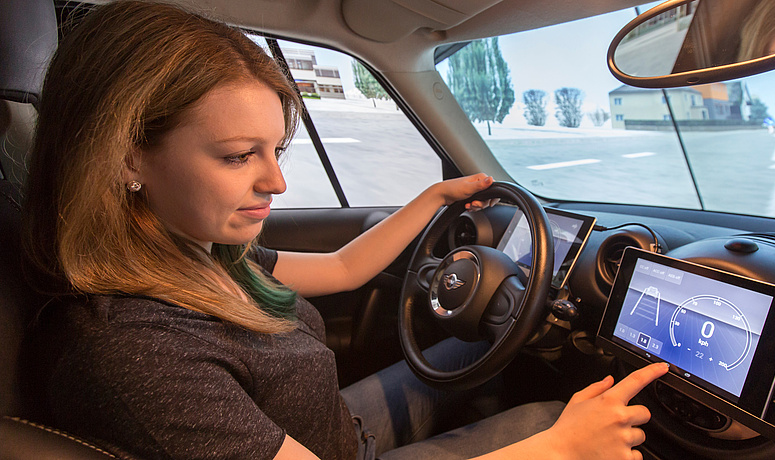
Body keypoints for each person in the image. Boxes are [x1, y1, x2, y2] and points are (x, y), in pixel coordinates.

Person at [21, 1, 667, 459]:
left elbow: (340, 271)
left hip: (334, 429)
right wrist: (559, 447)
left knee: (476, 349)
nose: (275, 184)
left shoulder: (197, 253)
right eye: (237, 155)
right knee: (554, 417)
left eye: (277, 150)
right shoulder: (130, 353)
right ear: (126, 157)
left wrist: (435, 197)